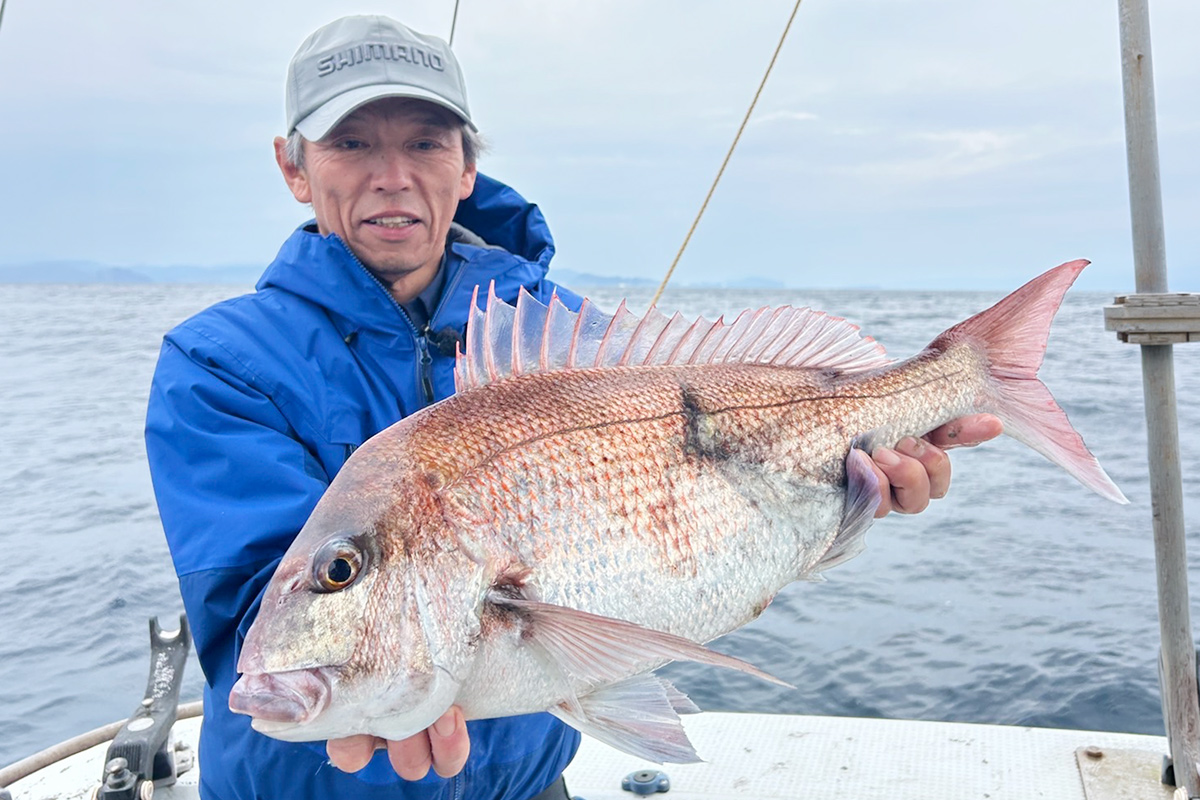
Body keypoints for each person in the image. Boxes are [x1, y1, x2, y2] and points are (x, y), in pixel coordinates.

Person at [144, 14, 1001, 800]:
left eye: (427, 142)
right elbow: (247, 607)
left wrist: (842, 507)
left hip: (528, 784)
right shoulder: (218, 362)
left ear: (468, 164)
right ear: (294, 166)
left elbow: (700, 548)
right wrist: (375, 664)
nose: (393, 176)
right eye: (351, 143)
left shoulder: (566, 336)